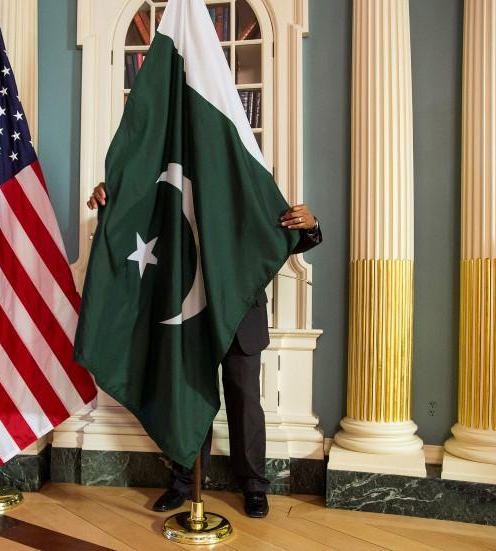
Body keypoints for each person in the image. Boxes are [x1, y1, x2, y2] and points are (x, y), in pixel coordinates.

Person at [87, 183, 322, 518]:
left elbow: (290, 235)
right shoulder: (177, 181)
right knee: (189, 400)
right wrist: (110, 201)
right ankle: (185, 482)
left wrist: (311, 225)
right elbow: (139, 224)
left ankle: (253, 486)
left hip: (241, 315)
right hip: (191, 316)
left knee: (245, 402)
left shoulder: (246, 182)